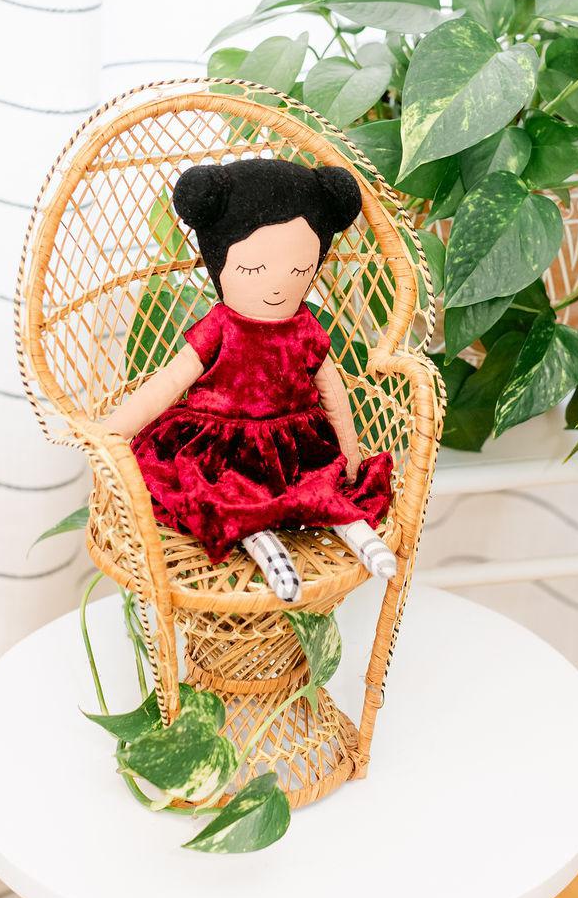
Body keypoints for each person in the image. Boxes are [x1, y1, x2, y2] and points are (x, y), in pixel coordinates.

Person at [102, 157, 396, 602]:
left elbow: (332, 395)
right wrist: (112, 431)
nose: (279, 285)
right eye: (253, 271)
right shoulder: (220, 327)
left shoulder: (303, 328)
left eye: (300, 271)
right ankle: (262, 542)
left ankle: (355, 530)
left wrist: (351, 459)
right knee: (225, 494)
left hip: (295, 442)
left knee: (321, 483)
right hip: (220, 445)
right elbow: (171, 381)